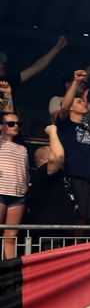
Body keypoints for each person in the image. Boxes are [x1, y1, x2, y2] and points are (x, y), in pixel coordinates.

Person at [54, 68, 90, 227]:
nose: (84, 102)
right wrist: (76, 82)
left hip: (88, 178)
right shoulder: (65, 125)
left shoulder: (87, 128)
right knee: (71, 221)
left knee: (83, 223)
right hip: (72, 175)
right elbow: (65, 107)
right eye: (79, 101)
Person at [24, 125, 74, 243]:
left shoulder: (53, 177)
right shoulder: (42, 173)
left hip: (60, 232)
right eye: (49, 155)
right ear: (43, 161)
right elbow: (58, 156)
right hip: (50, 234)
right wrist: (52, 132)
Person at [0, 95, 29, 258]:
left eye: (18, 123)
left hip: (18, 195)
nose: (16, 126)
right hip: (0, 192)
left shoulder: (22, 148)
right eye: (11, 124)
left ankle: (9, 278)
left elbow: (26, 173)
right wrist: (7, 97)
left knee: (10, 237)